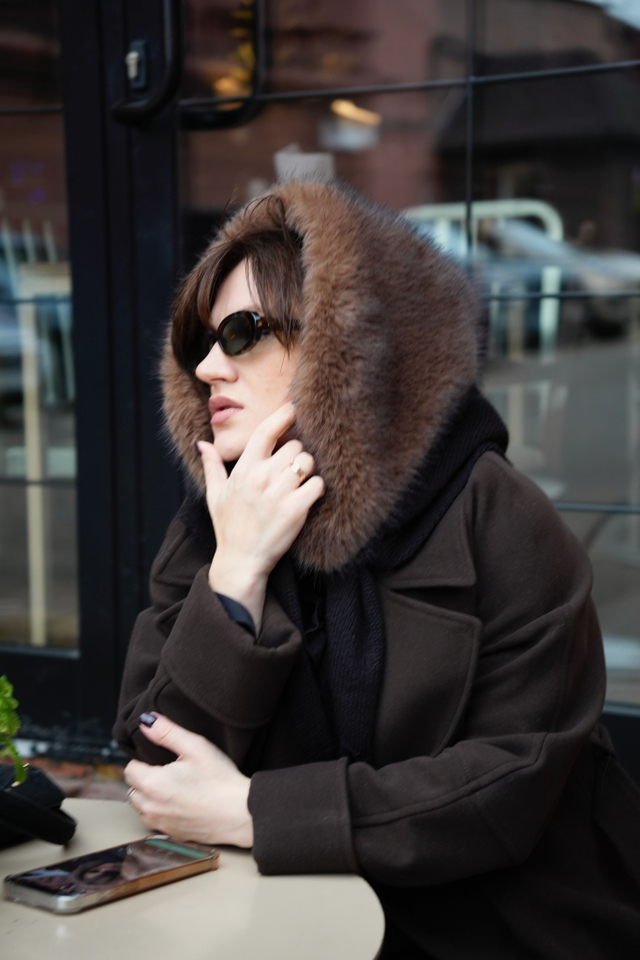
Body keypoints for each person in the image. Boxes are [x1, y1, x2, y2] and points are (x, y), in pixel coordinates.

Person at [115, 180, 640, 958]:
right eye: (201, 341)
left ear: (349, 342)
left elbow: (510, 780)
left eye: (243, 332)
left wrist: (261, 812)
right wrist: (236, 577)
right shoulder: (218, 519)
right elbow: (159, 768)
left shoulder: (493, 512)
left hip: (502, 922)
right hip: (287, 914)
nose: (209, 366)